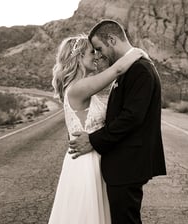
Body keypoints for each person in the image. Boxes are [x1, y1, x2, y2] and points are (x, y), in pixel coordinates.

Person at [69, 19, 167, 224]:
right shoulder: (130, 68)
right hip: (122, 164)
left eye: (99, 48)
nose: (98, 55)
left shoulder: (139, 69)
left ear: (112, 39)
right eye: (93, 51)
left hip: (128, 164)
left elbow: (131, 117)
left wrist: (93, 140)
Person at [48, 33, 148, 224]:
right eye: (91, 52)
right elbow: (118, 70)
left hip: (92, 155)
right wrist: (138, 52)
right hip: (86, 162)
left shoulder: (81, 86)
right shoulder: (78, 88)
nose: (96, 56)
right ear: (78, 57)